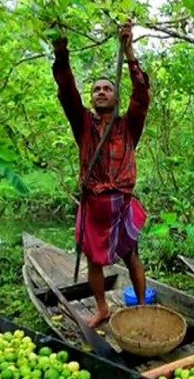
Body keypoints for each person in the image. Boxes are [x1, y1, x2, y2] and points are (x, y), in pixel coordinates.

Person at [52, 22, 150, 327]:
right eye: (96, 89)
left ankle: (141, 306)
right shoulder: (83, 124)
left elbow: (142, 93)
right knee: (94, 261)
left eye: (108, 88)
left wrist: (129, 49)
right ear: (92, 98)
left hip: (120, 204)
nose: (101, 92)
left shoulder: (128, 125)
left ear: (116, 97)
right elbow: (67, 91)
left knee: (131, 255)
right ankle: (102, 308)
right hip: (94, 206)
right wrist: (61, 52)